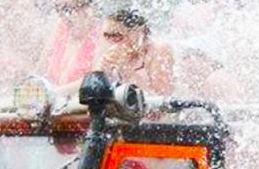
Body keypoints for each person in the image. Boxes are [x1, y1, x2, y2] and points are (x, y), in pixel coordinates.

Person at [95, 8, 242, 100]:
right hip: (193, 97)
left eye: (116, 35)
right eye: (107, 36)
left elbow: (162, 95)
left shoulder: (159, 50)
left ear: (137, 31)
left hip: (216, 81)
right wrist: (103, 71)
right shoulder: (121, 56)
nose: (112, 42)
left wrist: (127, 71)